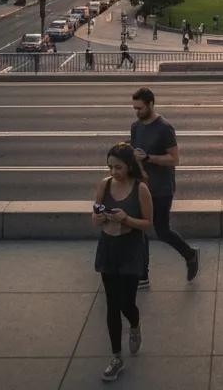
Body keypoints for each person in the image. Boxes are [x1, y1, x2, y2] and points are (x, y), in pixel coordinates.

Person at [92, 142, 152, 382]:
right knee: (112, 305)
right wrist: (97, 218)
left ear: (128, 166)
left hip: (130, 249)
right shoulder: (104, 185)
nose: (113, 172)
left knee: (127, 302)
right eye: (110, 167)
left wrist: (126, 218)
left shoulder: (140, 189)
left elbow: (148, 223)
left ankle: (135, 324)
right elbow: (95, 212)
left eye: (118, 167)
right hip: (108, 248)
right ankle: (116, 357)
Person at [130, 88, 200, 288]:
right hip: (142, 187)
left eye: (140, 108)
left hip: (162, 188)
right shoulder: (135, 127)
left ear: (151, 104)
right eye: (134, 108)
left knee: (162, 230)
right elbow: (136, 152)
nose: (137, 112)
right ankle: (142, 275)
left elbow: (174, 159)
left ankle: (190, 254)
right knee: (140, 231)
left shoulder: (164, 128)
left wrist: (149, 158)